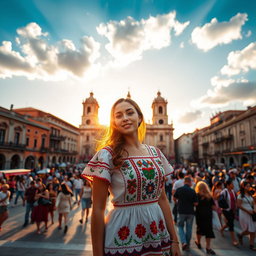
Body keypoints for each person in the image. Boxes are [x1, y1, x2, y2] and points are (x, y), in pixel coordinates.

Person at [82, 98, 181, 256]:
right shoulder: (107, 155)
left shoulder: (156, 153)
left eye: (129, 113)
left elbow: (162, 199)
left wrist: (174, 240)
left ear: (140, 117)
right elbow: (98, 210)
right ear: (113, 122)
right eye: (119, 115)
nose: (125, 118)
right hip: (123, 236)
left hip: (157, 234)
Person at [174, 176, 198, 251]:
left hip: (181, 211)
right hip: (190, 212)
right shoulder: (193, 191)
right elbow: (196, 203)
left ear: (184, 182)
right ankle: (187, 243)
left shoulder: (179, 189)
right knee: (189, 228)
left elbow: (174, 198)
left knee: (180, 226)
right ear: (190, 182)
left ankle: (184, 242)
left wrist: (177, 203)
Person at [194, 181, 216, 255]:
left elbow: (195, 204)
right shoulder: (209, 196)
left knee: (199, 229)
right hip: (208, 215)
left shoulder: (197, 195)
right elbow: (213, 207)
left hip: (199, 215)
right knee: (208, 230)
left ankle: (198, 242)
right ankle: (208, 247)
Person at [237, 182, 256, 251]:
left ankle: (251, 245)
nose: (248, 187)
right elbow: (238, 205)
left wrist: (254, 210)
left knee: (253, 229)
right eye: (247, 186)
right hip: (244, 213)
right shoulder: (240, 195)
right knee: (247, 229)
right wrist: (248, 211)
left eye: (249, 186)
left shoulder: (250, 194)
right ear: (243, 187)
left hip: (251, 213)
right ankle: (240, 235)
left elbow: (253, 203)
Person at [219, 179, 239, 246]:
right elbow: (220, 200)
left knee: (229, 223)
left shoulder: (233, 192)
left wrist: (235, 209)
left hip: (232, 210)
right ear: (228, 185)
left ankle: (221, 229)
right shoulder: (224, 192)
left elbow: (235, 201)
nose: (233, 185)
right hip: (226, 210)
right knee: (231, 224)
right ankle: (234, 240)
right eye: (231, 184)